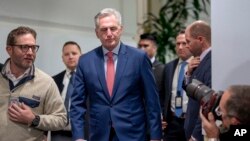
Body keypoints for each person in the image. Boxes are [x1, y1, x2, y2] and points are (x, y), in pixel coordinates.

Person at [70, 8, 162, 141]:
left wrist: (156, 136)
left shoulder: (139, 58)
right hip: (99, 134)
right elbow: (77, 104)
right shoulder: (86, 61)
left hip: (133, 134)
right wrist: (78, 136)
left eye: (113, 28)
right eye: (103, 29)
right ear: (97, 33)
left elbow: (152, 100)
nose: (109, 33)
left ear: (120, 29)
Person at [0, 26, 67, 141]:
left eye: (33, 47)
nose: (30, 52)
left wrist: (34, 119)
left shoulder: (46, 82)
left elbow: (61, 119)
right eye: (24, 47)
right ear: (9, 50)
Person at [184, 20, 211, 141]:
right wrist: (188, 73)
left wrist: (195, 135)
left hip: (200, 133)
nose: (186, 46)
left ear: (200, 39)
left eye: (188, 41)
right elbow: (190, 91)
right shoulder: (198, 61)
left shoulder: (211, 62)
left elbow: (209, 103)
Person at [162, 30, 192, 141]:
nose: (180, 47)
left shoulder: (198, 66)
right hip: (172, 121)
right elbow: (163, 94)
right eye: (178, 44)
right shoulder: (169, 67)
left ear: (190, 44)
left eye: (184, 43)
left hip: (190, 121)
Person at [51, 41, 82, 141]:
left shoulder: (90, 79)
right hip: (58, 133)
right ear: (62, 58)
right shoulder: (54, 80)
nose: (70, 56)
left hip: (83, 133)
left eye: (74, 53)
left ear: (81, 56)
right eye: (66, 54)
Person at [138, 33, 165, 108]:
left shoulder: (163, 69)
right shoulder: (132, 66)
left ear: (154, 48)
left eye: (146, 46)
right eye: (140, 46)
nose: (142, 49)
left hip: (155, 113)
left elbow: (165, 95)